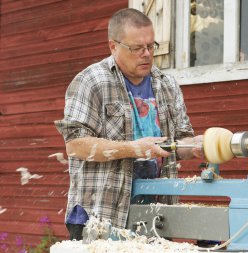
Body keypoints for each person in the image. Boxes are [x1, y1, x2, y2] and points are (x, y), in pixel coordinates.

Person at [54, 8, 203, 240]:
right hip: (101, 217)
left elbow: (179, 143)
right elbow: (76, 145)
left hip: (157, 216)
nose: (146, 54)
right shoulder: (91, 81)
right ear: (113, 46)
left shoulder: (167, 85)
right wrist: (133, 149)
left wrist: (199, 145)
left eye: (151, 46)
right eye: (136, 48)